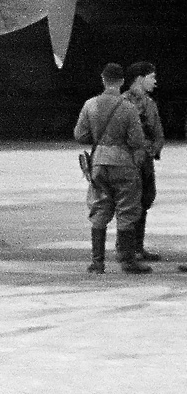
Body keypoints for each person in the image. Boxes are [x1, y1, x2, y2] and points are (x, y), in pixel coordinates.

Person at [74, 63, 151, 274]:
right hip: (124, 164)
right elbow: (137, 140)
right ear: (122, 82)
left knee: (99, 208)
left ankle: (97, 262)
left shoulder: (90, 104)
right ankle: (127, 261)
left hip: (98, 163)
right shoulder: (128, 107)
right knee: (127, 210)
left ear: (103, 79)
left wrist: (100, 140)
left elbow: (80, 135)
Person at [124, 62, 165, 262]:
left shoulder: (150, 103)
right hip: (129, 161)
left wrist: (152, 149)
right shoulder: (122, 102)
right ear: (140, 78)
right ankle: (127, 248)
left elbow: (158, 134)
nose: (155, 81)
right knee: (130, 204)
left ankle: (137, 247)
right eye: (152, 77)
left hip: (145, 161)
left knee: (146, 200)